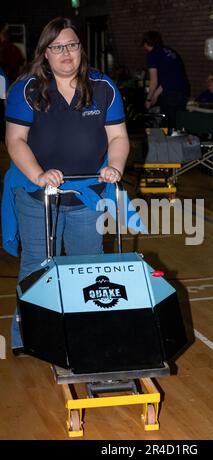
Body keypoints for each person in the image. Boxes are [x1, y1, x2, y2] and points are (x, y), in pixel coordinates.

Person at [2, 17, 130, 354]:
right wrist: (39, 175)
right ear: (44, 53)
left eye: (71, 45)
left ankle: (87, 331)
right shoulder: (26, 89)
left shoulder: (104, 87)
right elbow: (15, 140)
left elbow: (117, 136)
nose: (65, 53)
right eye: (56, 47)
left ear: (80, 48)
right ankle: (26, 337)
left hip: (87, 194)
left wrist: (114, 167)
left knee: (88, 265)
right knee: (37, 265)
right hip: (36, 194)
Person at [142, 30, 189, 131]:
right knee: (178, 126)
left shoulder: (152, 55)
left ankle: (167, 145)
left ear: (146, 43)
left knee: (167, 126)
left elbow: (154, 81)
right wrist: (156, 95)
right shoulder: (169, 51)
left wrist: (148, 99)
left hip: (171, 94)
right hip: (183, 91)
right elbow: (169, 78)